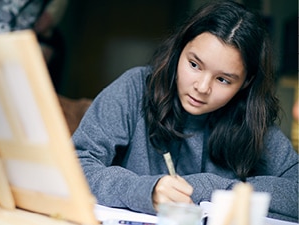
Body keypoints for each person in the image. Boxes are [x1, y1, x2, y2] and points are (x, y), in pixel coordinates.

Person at [72, 1, 298, 222]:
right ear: (180, 50)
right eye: (194, 65)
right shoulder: (135, 88)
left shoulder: (250, 118)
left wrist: (212, 189)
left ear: (245, 83)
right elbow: (76, 165)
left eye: (223, 79)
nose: (202, 87)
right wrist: (146, 191)